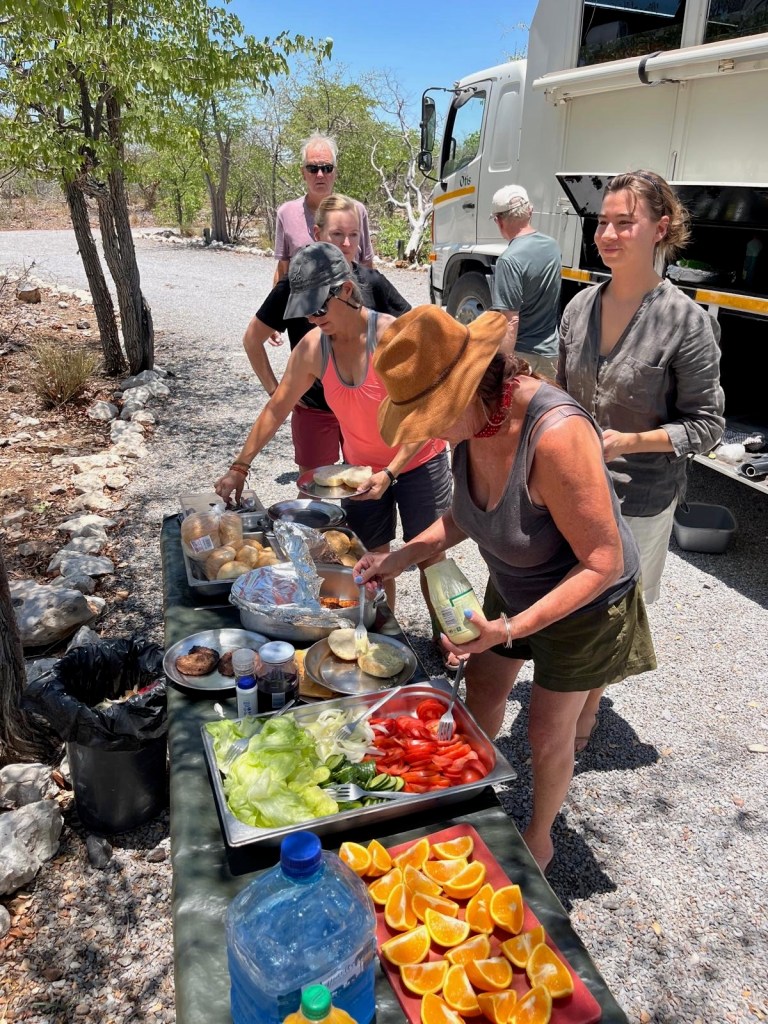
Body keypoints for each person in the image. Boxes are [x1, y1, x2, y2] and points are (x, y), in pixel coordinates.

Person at [355, 305, 656, 872]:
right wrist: (400, 557)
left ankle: (539, 837)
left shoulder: (556, 434)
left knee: (546, 730)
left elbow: (601, 559)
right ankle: (467, 789)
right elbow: (465, 515)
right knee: (485, 690)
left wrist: (510, 629)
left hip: (586, 597)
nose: (425, 430)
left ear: (472, 388)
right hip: (515, 582)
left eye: (431, 415)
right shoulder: (474, 423)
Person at [214, 243, 452, 643]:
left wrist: (391, 471)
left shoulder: (393, 337)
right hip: (360, 471)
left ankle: (448, 637)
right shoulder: (313, 348)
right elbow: (277, 408)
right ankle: (383, 635)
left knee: (430, 556)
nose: (312, 318)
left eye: (319, 309)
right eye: (305, 311)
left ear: (344, 289)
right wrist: (240, 465)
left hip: (417, 462)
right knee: (371, 558)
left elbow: (427, 418)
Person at [557, 170, 725, 604]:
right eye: (601, 222)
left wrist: (631, 441)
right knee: (564, 609)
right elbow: (559, 397)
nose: (608, 234)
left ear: (660, 229)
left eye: (625, 223)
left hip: (638, 503)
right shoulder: (579, 308)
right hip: (570, 489)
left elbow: (707, 425)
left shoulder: (687, 323)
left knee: (614, 621)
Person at [243, 194, 411, 474]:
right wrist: (276, 390)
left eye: (353, 235)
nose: (346, 244)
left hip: (365, 409)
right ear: (317, 233)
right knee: (314, 487)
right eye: (337, 234)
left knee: (362, 486)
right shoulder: (293, 287)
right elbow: (252, 340)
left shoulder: (372, 283)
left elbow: (412, 330)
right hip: (315, 409)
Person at [273, 133, 374, 281]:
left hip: (347, 302)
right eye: (312, 168)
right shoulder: (286, 213)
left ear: (335, 172)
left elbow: (367, 265)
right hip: (303, 303)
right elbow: (283, 269)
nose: (320, 175)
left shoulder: (356, 211)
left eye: (327, 168)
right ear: (303, 173)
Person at [490, 184, 562, 378]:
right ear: (530, 212)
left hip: (524, 356)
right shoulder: (552, 246)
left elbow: (511, 321)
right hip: (551, 354)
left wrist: (504, 365)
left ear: (499, 221)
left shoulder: (508, 260)